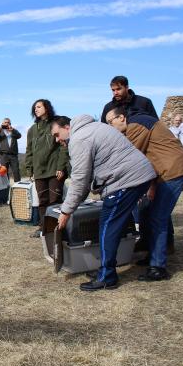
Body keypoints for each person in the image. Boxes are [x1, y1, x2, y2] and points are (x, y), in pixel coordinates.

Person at [51, 115, 156, 291]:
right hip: (137, 176)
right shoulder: (93, 128)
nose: (57, 139)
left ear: (67, 127)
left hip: (126, 181)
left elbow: (80, 179)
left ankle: (107, 276)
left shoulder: (79, 138)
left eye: (56, 134)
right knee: (112, 223)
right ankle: (105, 268)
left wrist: (66, 211)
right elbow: (87, 177)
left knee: (107, 226)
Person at [105, 106, 183, 281]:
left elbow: (129, 157)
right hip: (163, 172)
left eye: (110, 122)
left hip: (173, 171)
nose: (109, 126)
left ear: (121, 117)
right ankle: (153, 254)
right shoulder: (139, 123)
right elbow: (148, 156)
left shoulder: (135, 126)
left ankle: (158, 267)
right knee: (148, 211)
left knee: (157, 217)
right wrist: (151, 186)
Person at [25, 99, 69, 237]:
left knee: (54, 200)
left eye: (39, 106)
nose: (36, 109)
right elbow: (29, 150)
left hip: (54, 169)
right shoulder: (32, 129)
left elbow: (63, 147)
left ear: (47, 108)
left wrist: (61, 167)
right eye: (34, 108)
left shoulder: (56, 124)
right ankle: (43, 228)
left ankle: (57, 228)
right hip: (39, 171)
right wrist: (29, 168)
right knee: (42, 201)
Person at [0, 117, 22, 182]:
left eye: (8, 123)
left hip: (13, 155)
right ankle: (6, 187)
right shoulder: (0, 132)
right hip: (4, 155)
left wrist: (13, 130)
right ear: (2, 124)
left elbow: (19, 136)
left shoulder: (13, 131)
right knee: (4, 171)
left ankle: (18, 186)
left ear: (10, 124)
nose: (7, 124)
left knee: (16, 171)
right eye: (5, 122)